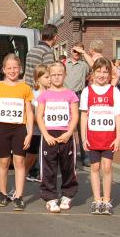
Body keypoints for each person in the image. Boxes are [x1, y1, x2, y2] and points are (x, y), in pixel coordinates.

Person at [79, 58, 120, 215]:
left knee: (106, 167)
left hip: (108, 136)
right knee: (95, 167)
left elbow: (118, 115)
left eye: (105, 72)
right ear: (93, 73)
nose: (102, 74)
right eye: (98, 71)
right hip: (93, 136)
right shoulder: (87, 91)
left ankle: (107, 200)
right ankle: (97, 200)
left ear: (110, 74)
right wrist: (84, 137)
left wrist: (118, 137)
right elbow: (84, 115)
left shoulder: (114, 91)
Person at [0, 54, 33, 210]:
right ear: (3, 69)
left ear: (20, 69)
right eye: (9, 68)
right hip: (2, 128)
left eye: (15, 67)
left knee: (19, 162)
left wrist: (29, 132)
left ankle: (19, 195)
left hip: (19, 128)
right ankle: (2, 193)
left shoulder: (25, 87)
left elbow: (29, 111)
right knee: (3, 162)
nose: (12, 70)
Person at [36, 62, 79, 213]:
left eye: (59, 74)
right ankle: (51, 198)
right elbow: (39, 116)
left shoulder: (71, 94)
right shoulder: (44, 95)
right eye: (53, 75)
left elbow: (75, 115)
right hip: (49, 135)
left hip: (66, 134)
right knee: (49, 168)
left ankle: (67, 195)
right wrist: (45, 134)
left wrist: (69, 133)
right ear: (49, 76)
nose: (56, 77)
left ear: (65, 75)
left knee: (68, 166)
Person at [64, 41, 90, 167]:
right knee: (66, 126)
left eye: (79, 51)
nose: (76, 53)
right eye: (75, 51)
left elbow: (95, 66)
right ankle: (69, 156)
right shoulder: (64, 63)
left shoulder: (84, 65)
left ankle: (85, 156)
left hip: (79, 96)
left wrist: (84, 53)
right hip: (65, 96)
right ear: (71, 51)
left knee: (81, 126)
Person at [26, 64, 51, 183]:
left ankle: (44, 176)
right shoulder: (33, 94)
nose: (50, 79)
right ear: (38, 79)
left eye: (50, 76)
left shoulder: (52, 93)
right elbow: (30, 112)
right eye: (47, 77)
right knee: (31, 156)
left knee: (46, 155)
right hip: (35, 130)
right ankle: (23, 173)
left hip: (49, 130)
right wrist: (39, 123)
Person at [24, 24, 57, 89]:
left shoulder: (31, 50)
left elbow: (27, 74)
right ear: (55, 37)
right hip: (40, 91)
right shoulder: (47, 52)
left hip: (29, 90)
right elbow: (49, 74)